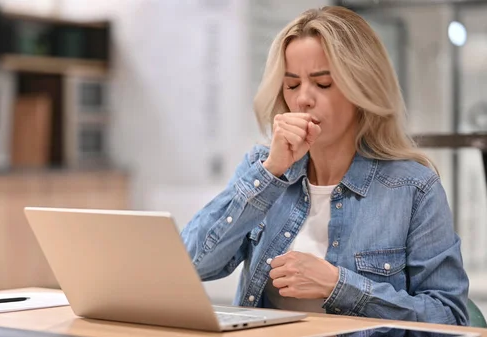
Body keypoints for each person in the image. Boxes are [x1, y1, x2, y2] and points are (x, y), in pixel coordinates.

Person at [180, 5, 469, 325]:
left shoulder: (413, 187)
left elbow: (450, 318)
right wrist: (270, 172)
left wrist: (338, 286)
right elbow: (191, 264)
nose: (303, 98)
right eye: (292, 85)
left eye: (323, 84)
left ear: (362, 88)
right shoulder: (262, 169)